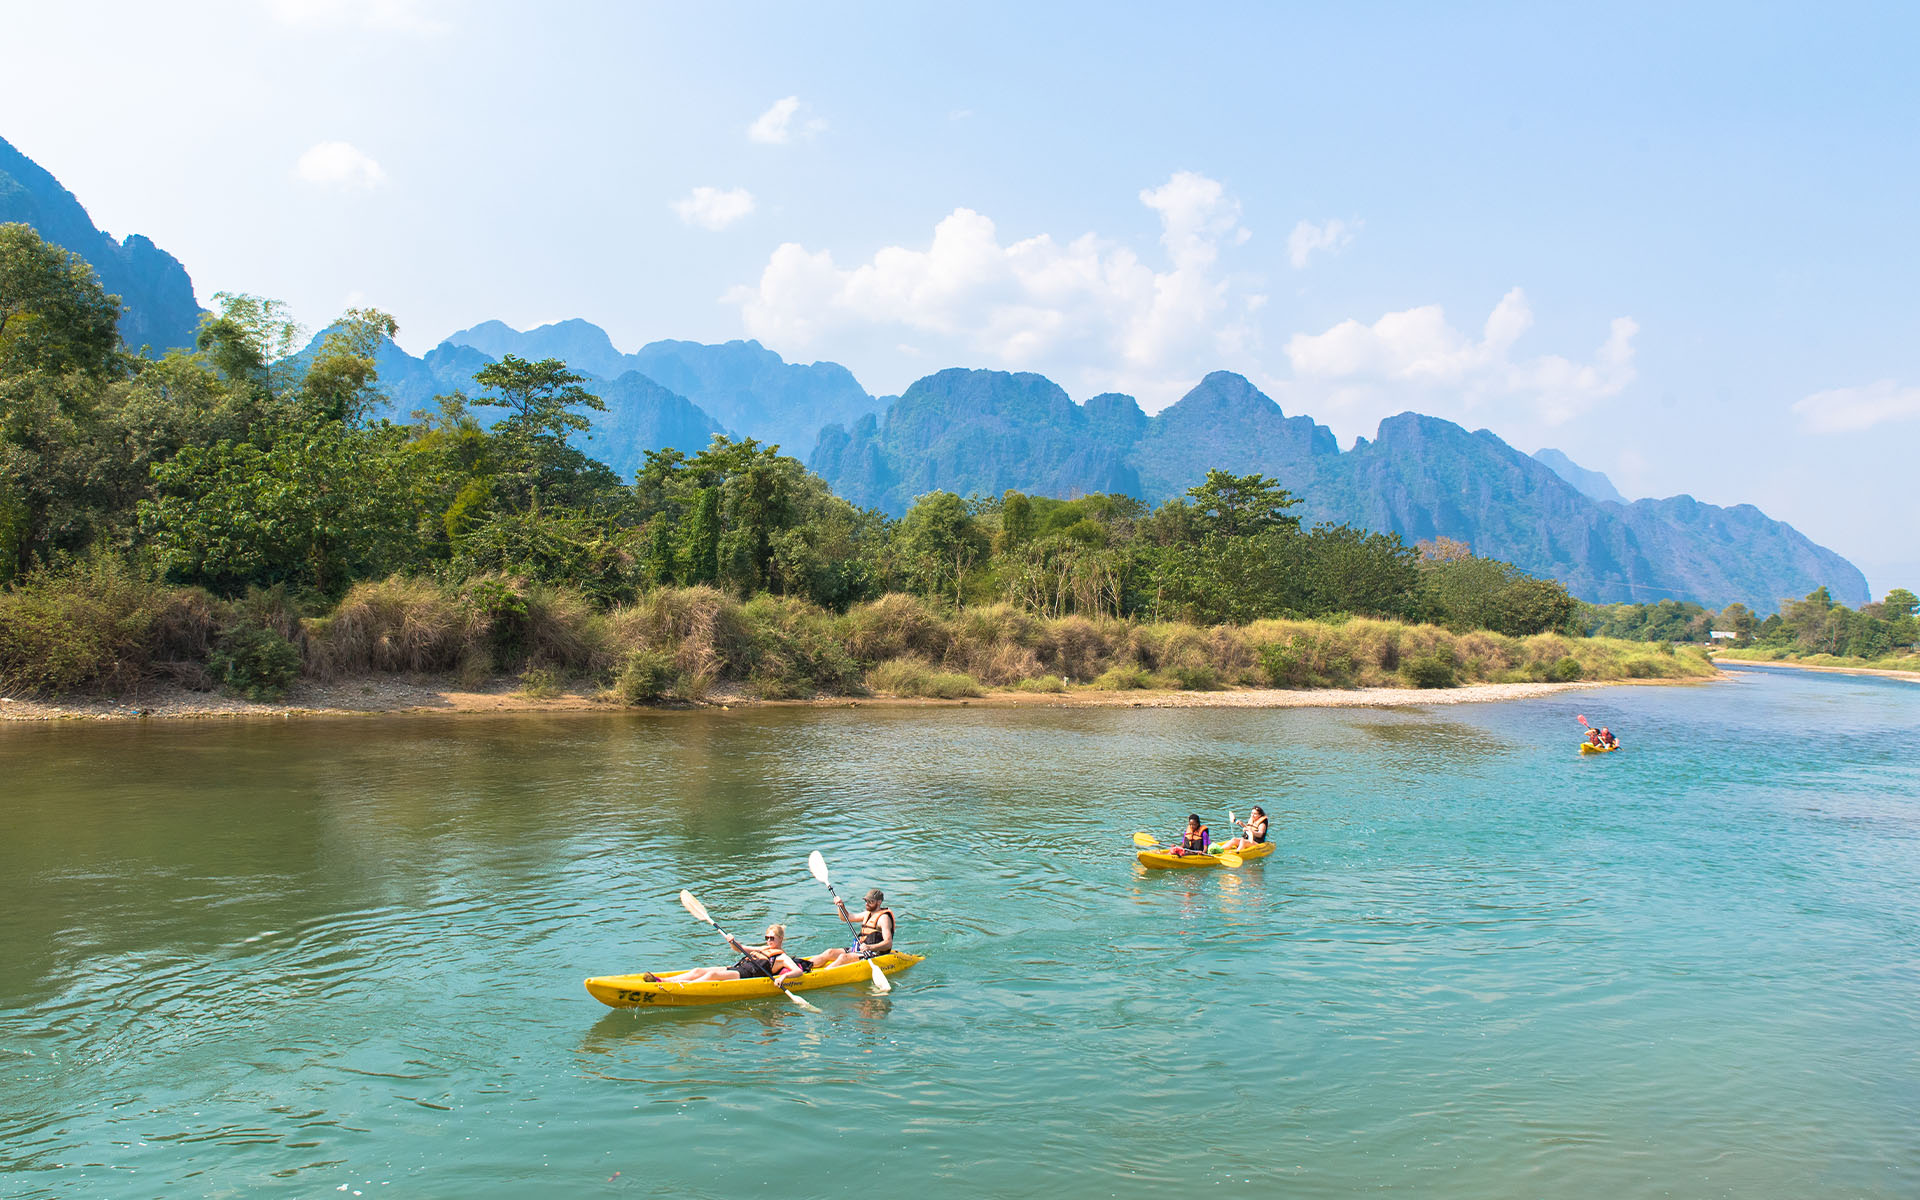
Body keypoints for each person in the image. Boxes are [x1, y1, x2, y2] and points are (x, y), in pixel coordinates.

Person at [655, 924, 807, 986]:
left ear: (780, 939)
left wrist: (783, 977)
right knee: (698, 971)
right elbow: (739, 948)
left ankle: (683, 988)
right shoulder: (762, 949)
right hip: (738, 968)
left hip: (747, 975)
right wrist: (732, 941)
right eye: (766, 938)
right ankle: (663, 981)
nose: (768, 941)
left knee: (713, 974)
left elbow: (798, 971)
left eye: (771, 938)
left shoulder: (781, 957)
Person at [807, 888, 896, 970]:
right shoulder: (867, 914)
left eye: (870, 901)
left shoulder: (884, 918)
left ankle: (822, 975)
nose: (867, 903)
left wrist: (869, 947)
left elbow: (888, 943)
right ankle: (803, 967)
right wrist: (841, 906)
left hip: (874, 953)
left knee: (843, 957)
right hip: (860, 949)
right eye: (866, 901)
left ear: (879, 902)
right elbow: (846, 917)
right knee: (829, 952)